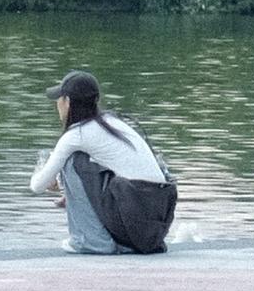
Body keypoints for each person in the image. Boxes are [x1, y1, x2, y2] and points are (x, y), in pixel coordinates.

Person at [28, 69, 176, 255]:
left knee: (72, 161)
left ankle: (89, 242)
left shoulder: (76, 135)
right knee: (85, 162)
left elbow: (37, 186)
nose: (57, 104)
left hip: (136, 215)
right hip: (154, 225)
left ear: (67, 102)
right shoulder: (113, 122)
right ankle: (121, 244)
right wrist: (72, 191)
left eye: (59, 98)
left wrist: (46, 174)